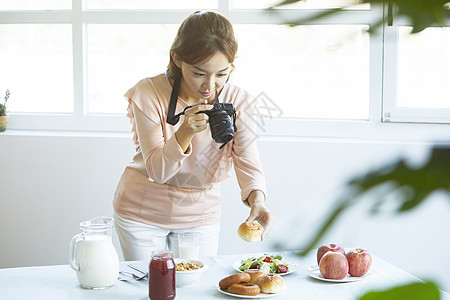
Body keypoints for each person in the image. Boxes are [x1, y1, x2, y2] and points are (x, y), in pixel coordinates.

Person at [113, 10, 275, 261]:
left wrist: (258, 201)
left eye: (222, 74)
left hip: (200, 217)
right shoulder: (149, 93)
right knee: (149, 291)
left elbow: (247, 160)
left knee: (196, 291)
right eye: (199, 73)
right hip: (141, 216)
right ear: (176, 59)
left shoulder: (238, 101)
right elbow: (157, 170)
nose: (209, 86)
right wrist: (185, 131)